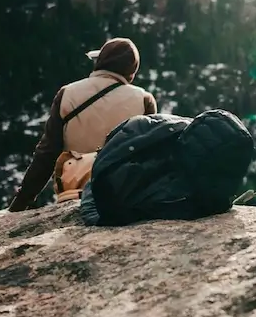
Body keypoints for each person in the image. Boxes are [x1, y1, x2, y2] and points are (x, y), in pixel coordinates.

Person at [8, 37, 157, 211]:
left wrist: (20, 203)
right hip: (122, 192)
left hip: (74, 191)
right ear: (131, 71)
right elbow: (149, 156)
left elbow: (47, 153)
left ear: (99, 62)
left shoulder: (67, 94)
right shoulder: (144, 100)